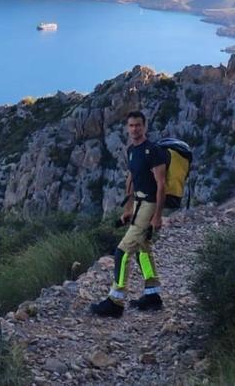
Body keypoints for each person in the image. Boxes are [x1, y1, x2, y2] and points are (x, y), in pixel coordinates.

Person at [90, 110, 169, 318]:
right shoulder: (132, 150)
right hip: (138, 204)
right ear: (128, 128)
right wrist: (127, 209)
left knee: (122, 252)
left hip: (150, 204)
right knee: (144, 250)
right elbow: (132, 178)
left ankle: (115, 301)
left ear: (145, 127)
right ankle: (152, 295)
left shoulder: (153, 151)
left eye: (138, 125)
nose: (135, 129)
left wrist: (157, 216)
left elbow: (162, 185)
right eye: (131, 125)